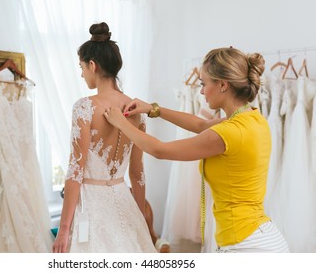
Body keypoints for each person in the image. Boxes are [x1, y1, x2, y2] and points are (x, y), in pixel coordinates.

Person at [104, 47, 290, 253]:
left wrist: (121, 123)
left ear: (222, 85)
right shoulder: (253, 118)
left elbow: (160, 150)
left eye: (204, 83)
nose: (201, 91)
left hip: (247, 245)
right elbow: (200, 125)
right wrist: (152, 109)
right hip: (262, 237)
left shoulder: (229, 132)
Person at [52, 22, 156, 253]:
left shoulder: (84, 107)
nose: (81, 74)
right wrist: (141, 221)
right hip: (124, 201)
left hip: (91, 205)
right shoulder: (136, 108)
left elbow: (75, 171)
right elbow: (137, 173)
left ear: (92, 65)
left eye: (81, 67)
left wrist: (64, 228)